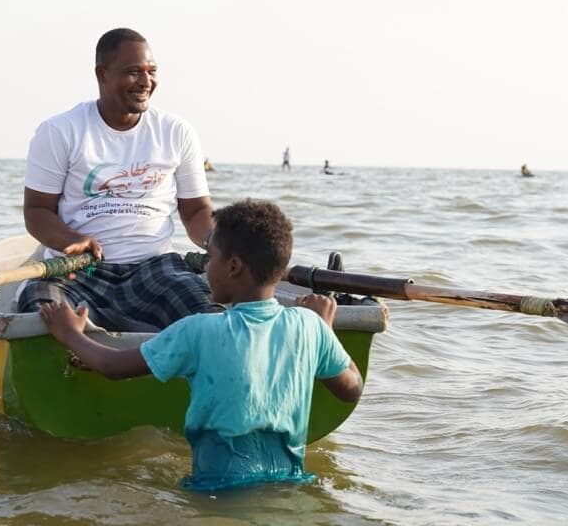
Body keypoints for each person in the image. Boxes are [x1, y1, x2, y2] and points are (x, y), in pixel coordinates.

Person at [40, 199, 363, 491]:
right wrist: (324, 329)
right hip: (290, 484)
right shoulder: (308, 326)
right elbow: (351, 388)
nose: (206, 268)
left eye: (211, 259)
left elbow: (112, 367)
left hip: (216, 491)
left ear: (233, 266)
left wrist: (69, 333)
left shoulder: (198, 330)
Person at [19, 27, 220, 332]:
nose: (145, 82)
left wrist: (217, 243)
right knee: (40, 308)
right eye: (133, 72)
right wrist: (70, 240)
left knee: (210, 318)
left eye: (151, 71)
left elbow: (195, 212)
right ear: (103, 75)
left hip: (156, 269)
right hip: (80, 270)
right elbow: (37, 212)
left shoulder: (176, 132)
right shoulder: (60, 131)